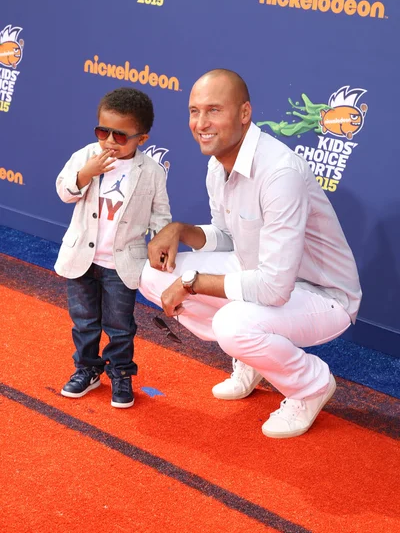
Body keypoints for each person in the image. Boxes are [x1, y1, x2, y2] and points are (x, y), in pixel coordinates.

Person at [139, 69, 362, 438]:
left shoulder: (279, 172)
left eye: (213, 110)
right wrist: (181, 230)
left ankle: (310, 384)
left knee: (232, 324)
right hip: (258, 272)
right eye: (194, 111)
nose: (201, 123)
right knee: (151, 274)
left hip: (322, 295)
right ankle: (252, 354)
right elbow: (228, 238)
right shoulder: (218, 164)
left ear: (245, 114)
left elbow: (275, 288)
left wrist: (192, 283)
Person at [55, 87, 171, 408]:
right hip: (81, 257)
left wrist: (161, 244)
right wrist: (84, 174)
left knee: (120, 326)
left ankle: (120, 372)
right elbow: (64, 191)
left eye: (119, 136)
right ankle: (87, 370)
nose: (108, 141)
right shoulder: (85, 156)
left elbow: (160, 215)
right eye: (102, 131)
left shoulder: (152, 172)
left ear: (142, 139)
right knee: (84, 321)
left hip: (122, 265)